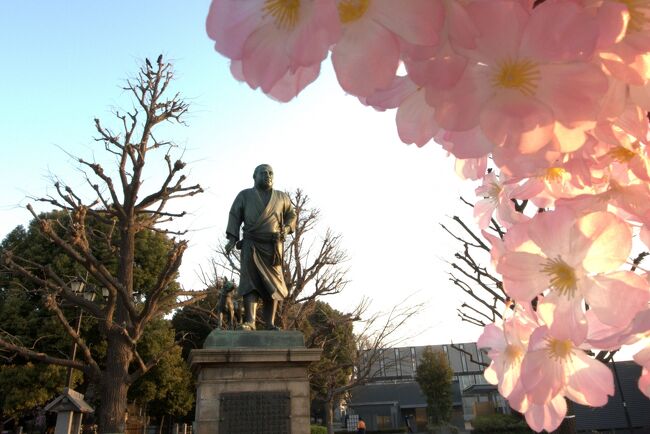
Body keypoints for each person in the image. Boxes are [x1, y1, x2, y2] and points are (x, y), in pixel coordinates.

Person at [225, 164, 296, 330]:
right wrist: (232, 238)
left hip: (273, 246)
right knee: (251, 282)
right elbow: (235, 215)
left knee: (274, 285)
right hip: (251, 243)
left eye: (271, 173)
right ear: (254, 176)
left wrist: (286, 228)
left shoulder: (282, 197)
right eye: (263, 173)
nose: (268, 176)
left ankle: (270, 323)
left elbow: (292, 215)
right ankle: (250, 322)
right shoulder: (244, 195)